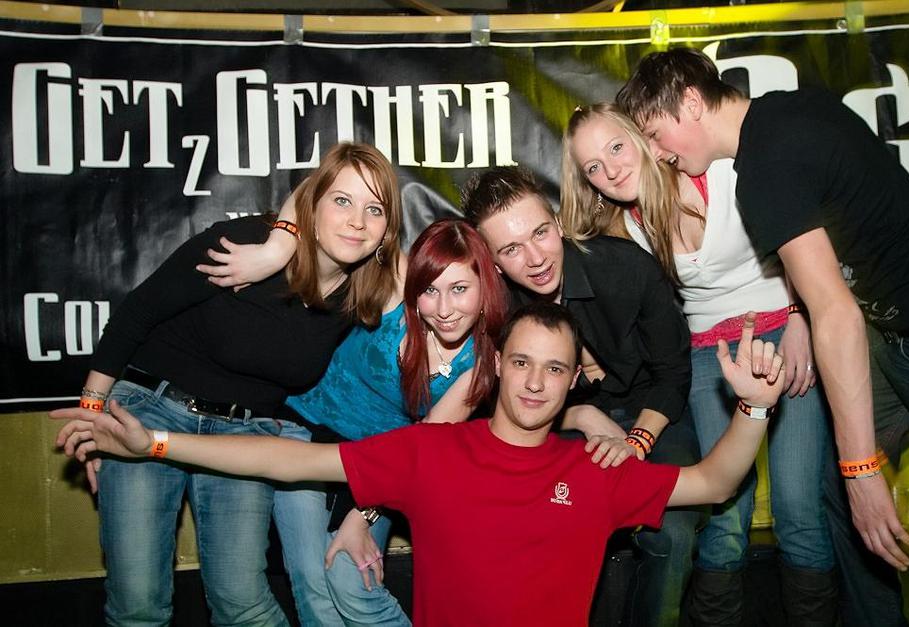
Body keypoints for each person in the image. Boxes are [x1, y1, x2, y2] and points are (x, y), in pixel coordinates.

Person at [56, 301, 788, 627]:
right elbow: (284, 458)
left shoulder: (597, 469)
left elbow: (714, 481)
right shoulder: (434, 450)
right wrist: (154, 444)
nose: (535, 383)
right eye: (521, 362)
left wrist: (752, 409)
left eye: (554, 368)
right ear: (495, 368)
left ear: (574, 382)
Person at [619, 46, 909, 624]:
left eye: (655, 134)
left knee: (850, 479)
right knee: (838, 493)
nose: (658, 153)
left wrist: (862, 468)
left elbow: (835, 314)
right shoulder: (791, 111)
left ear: (690, 102)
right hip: (893, 330)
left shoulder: (762, 168)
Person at [75, 142, 401, 626]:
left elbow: (451, 271)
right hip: (149, 408)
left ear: (386, 230)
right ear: (313, 206)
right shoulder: (244, 243)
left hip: (243, 434)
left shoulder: (363, 294)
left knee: (242, 602)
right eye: (342, 201)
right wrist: (92, 415)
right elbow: (136, 313)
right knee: (139, 602)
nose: (357, 221)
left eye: (374, 209)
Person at [560, 102, 835, 625]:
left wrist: (803, 317)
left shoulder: (721, 169)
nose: (611, 170)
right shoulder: (625, 230)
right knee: (726, 518)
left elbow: (803, 235)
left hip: (786, 332)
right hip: (711, 355)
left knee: (798, 512)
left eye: (617, 147)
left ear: (641, 138)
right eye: (594, 166)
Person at [460, 166, 699, 627]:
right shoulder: (496, 311)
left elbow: (672, 372)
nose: (535, 259)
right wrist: (583, 416)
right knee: (553, 523)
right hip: (557, 422)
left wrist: (635, 444)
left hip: (653, 411)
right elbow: (498, 405)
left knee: (673, 531)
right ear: (494, 262)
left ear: (557, 221)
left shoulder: (624, 267)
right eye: (511, 249)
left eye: (540, 233)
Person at [269, 219, 507, 626]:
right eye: (430, 290)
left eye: (459, 289)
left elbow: (422, 446)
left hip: (378, 462)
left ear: (486, 286)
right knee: (312, 579)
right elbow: (346, 203)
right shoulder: (397, 287)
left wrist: (362, 516)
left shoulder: (481, 365)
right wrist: (273, 246)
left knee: (350, 581)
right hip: (304, 428)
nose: (444, 309)